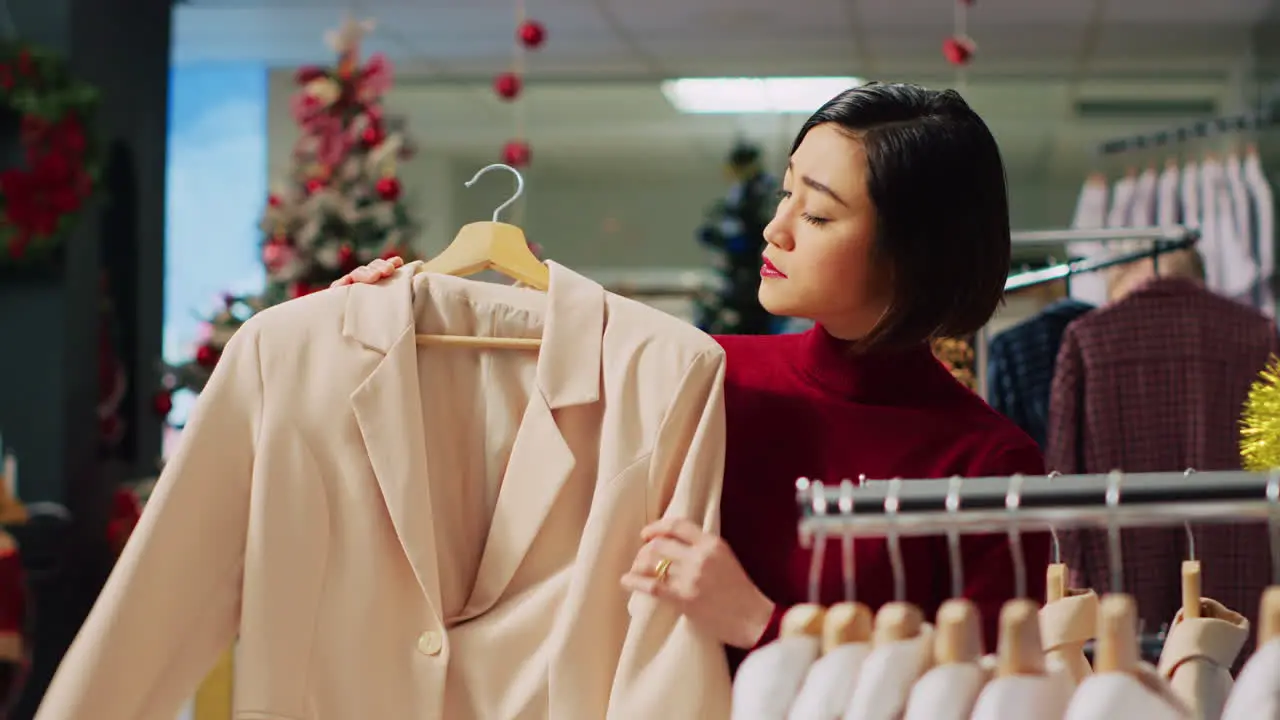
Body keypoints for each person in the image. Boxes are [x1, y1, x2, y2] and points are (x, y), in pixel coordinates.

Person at [332, 82, 1050, 668]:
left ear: (912, 253)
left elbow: (984, 693)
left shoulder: (988, 463)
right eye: (786, 193)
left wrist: (760, 622)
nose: (778, 229)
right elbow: (475, 450)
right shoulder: (702, 371)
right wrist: (390, 327)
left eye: (821, 214)